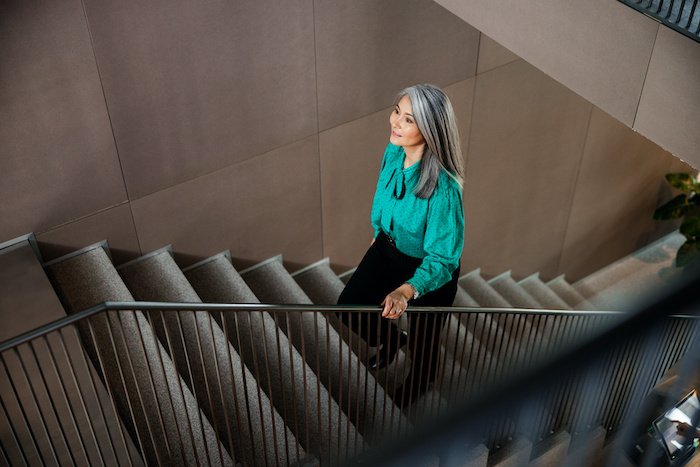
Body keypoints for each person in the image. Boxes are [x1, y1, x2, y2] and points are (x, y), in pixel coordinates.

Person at [337, 83, 465, 407]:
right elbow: (383, 193)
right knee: (349, 307)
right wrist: (378, 231)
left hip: (427, 271)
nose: (395, 122)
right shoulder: (394, 151)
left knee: (424, 346)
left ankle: (419, 383)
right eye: (397, 112)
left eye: (408, 119)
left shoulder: (444, 190)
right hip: (387, 247)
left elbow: (443, 259)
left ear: (430, 129)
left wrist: (405, 291)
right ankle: (394, 341)